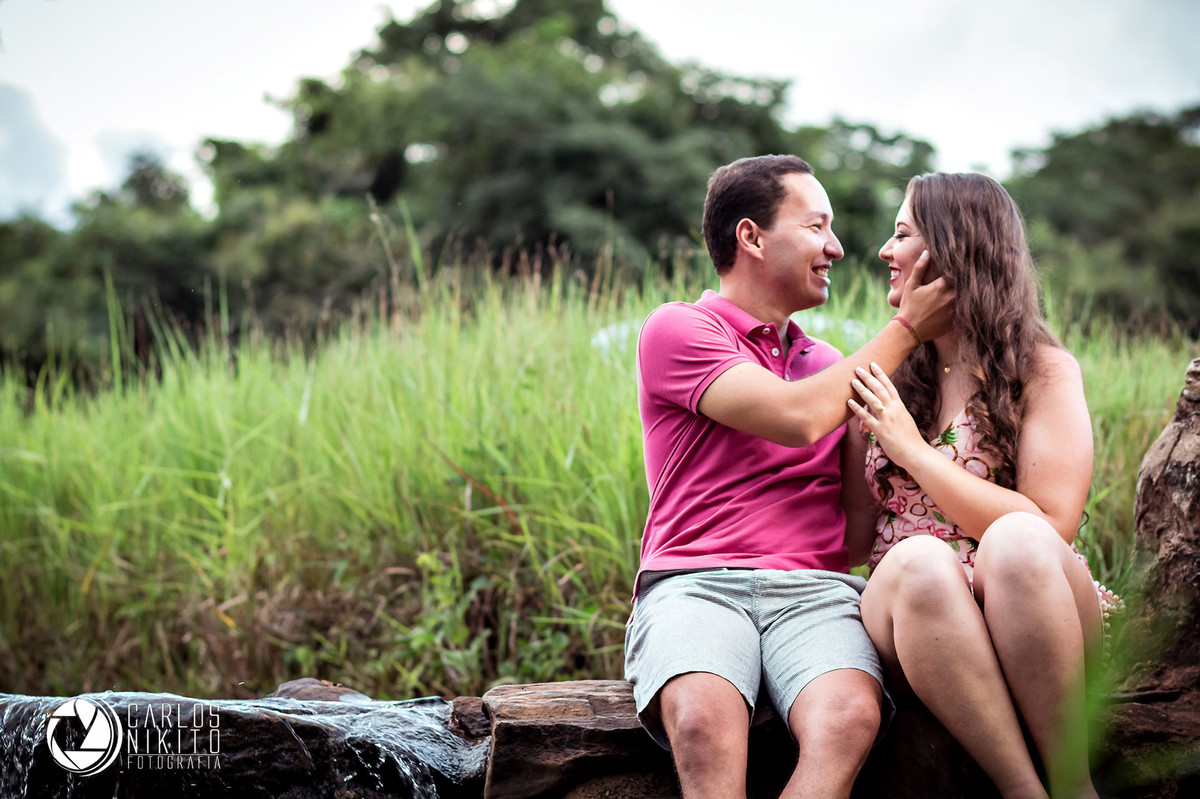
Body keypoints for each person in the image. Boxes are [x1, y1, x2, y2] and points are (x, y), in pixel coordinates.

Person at [623, 154, 954, 799]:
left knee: (850, 717)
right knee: (701, 721)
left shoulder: (830, 364)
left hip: (815, 591)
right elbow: (794, 418)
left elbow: (857, 528)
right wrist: (909, 327)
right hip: (695, 585)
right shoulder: (678, 328)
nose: (835, 246)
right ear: (751, 237)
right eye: (817, 226)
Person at [846, 172, 1120, 799]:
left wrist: (911, 450)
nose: (886, 252)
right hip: (919, 616)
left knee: (1019, 540)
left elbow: (1053, 525)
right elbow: (851, 541)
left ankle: (1074, 786)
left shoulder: (1042, 369)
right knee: (919, 561)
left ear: (950, 249)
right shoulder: (885, 374)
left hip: (1033, 601)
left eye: (902, 233)